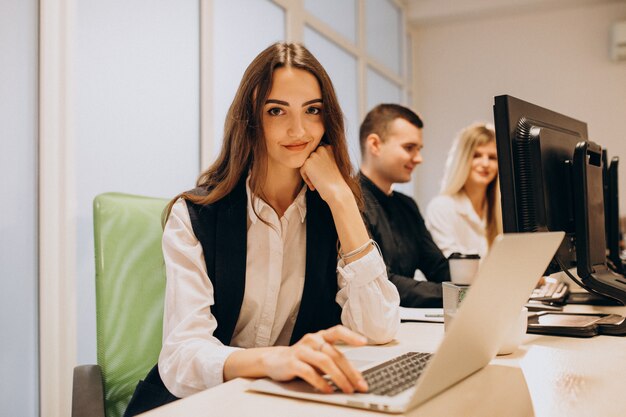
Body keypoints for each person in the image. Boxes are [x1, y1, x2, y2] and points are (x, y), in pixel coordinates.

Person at [123, 43, 400, 417]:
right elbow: (182, 355)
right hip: (194, 404)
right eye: (276, 110)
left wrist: (340, 197)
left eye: (313, 111)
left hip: (282, 403)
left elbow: (378, 329)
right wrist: (271, 361)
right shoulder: (195, 215)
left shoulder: (332, 211)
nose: (298, 129)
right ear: (250, 119)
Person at [358, 104, 450, 308]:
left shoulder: (407, 206)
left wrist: (478, 287)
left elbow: (437, 266)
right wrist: (459, 296)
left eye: (419, 149)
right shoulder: (349, 202)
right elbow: (383, 282)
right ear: (374, 144)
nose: (418, 159)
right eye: (409, 148)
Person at [425, 122, 502, 259]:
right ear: (462, 159)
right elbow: (453, 268)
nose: (485, 164)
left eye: (492, 158)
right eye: (476, 155)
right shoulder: (441, 207)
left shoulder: (499, 211)